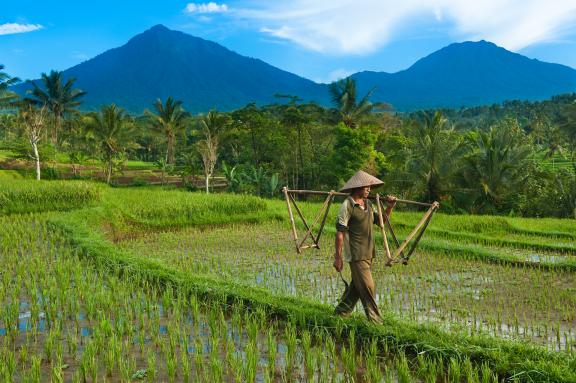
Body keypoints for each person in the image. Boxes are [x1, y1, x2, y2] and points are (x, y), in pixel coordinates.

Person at [333, 170, 396, 324]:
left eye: (370, 187)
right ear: (357, 187)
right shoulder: (347, 205)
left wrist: (390, 206)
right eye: (366, 187)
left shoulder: (368, 203)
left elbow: (380, 220)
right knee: (368, 287)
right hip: (356, 254)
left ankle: (340, 314)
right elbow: (340, 233)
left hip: (368, 253)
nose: (369, 189)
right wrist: (338, 257)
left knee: (357, 287)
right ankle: (376, 322)